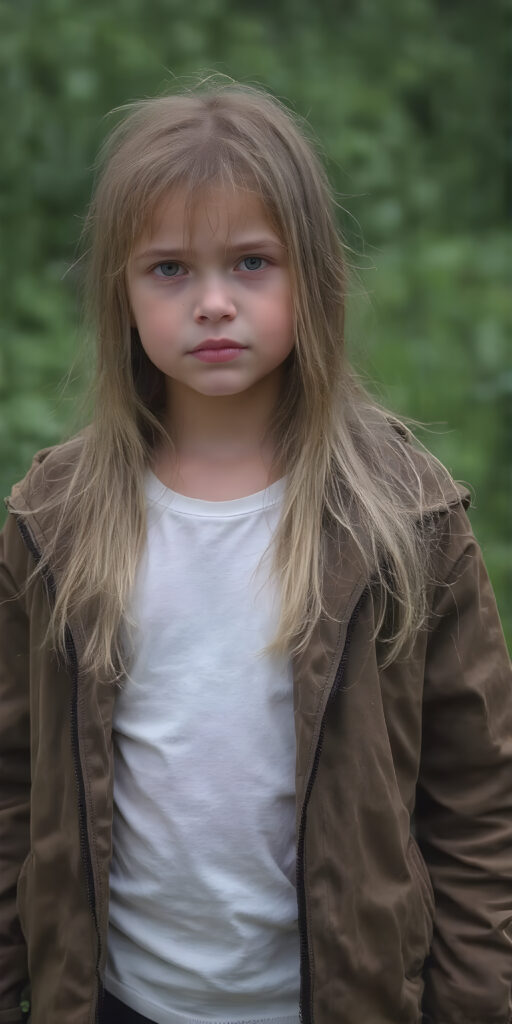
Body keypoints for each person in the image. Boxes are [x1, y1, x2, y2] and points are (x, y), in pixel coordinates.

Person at [1, 78, 511, 1024]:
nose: (212, 304)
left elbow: (477, 804)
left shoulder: (407, 518)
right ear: (120, 290)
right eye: (168, 270)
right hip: (117, 1001)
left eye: (249, 263)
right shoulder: (55, 521)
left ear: (312, 276)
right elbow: (11, 782)